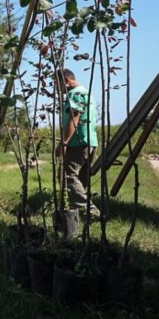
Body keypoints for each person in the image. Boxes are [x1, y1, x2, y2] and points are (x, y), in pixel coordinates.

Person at [55, 69, 100, 219]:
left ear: (66, 80)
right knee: (80, 180)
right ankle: (77, 214)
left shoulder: (74, 94)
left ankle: (91, 211)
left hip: (78, 142)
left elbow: (75, 118)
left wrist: (64, 142)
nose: (56, 89)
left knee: (67, 176)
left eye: (57, 84)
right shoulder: (86, 93)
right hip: (90, 141)